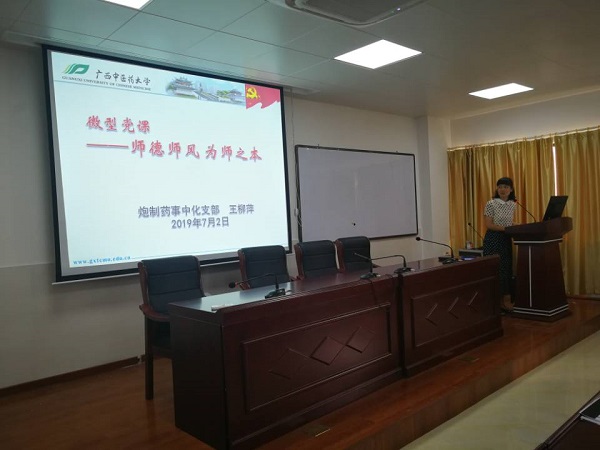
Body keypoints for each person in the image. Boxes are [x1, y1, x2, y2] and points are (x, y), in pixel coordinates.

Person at [483, 177, 516, 313]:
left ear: (511, 190)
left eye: (506, 187)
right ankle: (495, 303)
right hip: (493, 239)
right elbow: (489, 224)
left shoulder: (512, 204)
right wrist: (507, 228)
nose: (502, 189)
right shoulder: (491, 204)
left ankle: (504, 302)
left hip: (506, 238)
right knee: (497, 270)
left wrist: (516, 226)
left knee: (507, 269)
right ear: (497, 189)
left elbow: (508, 222)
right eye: (500, 187)